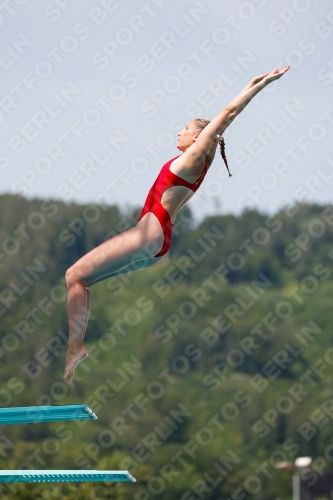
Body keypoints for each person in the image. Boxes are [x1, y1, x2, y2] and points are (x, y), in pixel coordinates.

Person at [64, 66, 290, 384]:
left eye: (184, 129)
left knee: (74, 275)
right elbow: (222, 118)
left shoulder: (193, 158)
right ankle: (75, 347)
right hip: (155, 241)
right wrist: (251, 82)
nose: (179, 133)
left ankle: (75, 347)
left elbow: (227, 114)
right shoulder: (196, 163)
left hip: (149, 235)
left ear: (199, 138)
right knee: (80, 279)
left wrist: (259, 85)